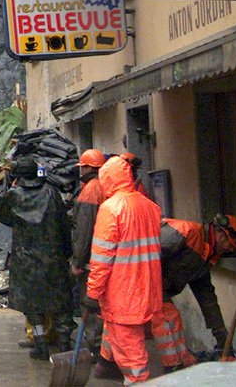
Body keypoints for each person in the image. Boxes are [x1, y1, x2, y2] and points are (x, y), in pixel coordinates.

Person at [85, 155, 162, 383]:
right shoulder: (150, 206)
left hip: (123, 292)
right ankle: (106, 365)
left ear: (106, 179)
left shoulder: (110, 209)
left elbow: (101, 258)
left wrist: (92, 293)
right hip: (147, 287)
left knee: (132, 353)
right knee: (123, 338)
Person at [0, 157, 75, 361]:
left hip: (26, 258)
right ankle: (65, 343)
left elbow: (4, 218)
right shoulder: (51, 193)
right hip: (54, 256)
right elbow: (63, 223)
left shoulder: (13, 195)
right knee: (61, 303)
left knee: (32, 304)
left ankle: (40, 345)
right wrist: (68, 252)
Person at [151, 214, 236, 371]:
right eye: (230, 245)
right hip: (137, 281)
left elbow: (207, 298)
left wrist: (223, 342)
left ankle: (105, 364)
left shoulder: (206, 256)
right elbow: (144, 255)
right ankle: (174, 369)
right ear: (220, 234)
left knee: (121, 328)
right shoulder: (185, 232)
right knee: (168, 317)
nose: (230, 251)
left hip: (153, 288)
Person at [70, 148, 106, 359]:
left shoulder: (90, 190)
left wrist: (77, 261)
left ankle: (96, 348)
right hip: (104, 257)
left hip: (92, 260)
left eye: (82, 166)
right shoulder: (104, 186)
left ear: (88, 167)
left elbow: (83, 230)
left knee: (91, 304)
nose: (80, 170)